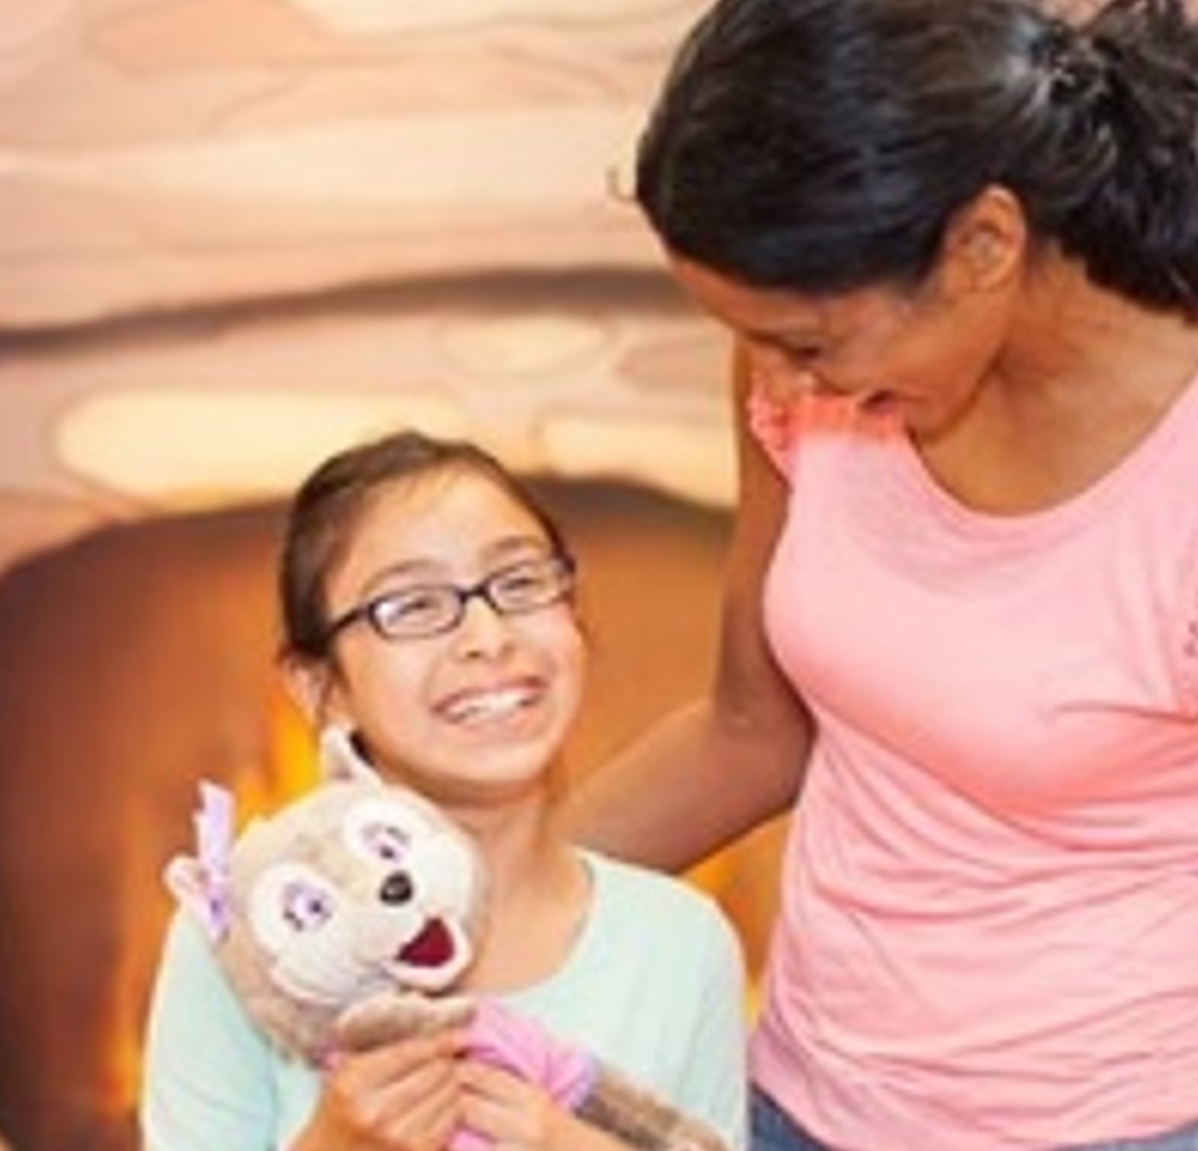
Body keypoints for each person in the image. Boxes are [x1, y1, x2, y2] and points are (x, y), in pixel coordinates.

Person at [567, 0, 1198, 1148]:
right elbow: (751, 729)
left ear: (984, 244)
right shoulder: (820, 378)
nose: (779, 390)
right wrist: (474, 896)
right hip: (805, 1104)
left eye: (806, 345)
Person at [141, 431, 751, 1151]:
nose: (488, 636)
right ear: (321, 689)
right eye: (412, 605)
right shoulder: (255, 944)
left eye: (521, 583)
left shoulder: (683, 941)